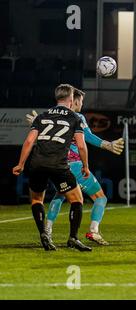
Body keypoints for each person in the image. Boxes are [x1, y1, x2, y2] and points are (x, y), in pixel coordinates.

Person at [26, 88, 125, 245]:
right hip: (75, 165)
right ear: (75, 101)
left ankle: (48, 230)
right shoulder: (77, 117)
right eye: (81, 102)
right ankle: (93, 231)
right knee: (100, 198)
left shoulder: (52, 116)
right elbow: (87, 137)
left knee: (60, 196)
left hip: (58, 164)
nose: (81, 105)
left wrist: (37, 123)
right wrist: (107, 145)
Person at [12, 84, 92, 251]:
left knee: (36, 199)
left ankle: (44, 234)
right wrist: (85, 166)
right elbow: (82, 145)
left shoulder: (42, 116)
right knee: (77, 199)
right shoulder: (74, 118)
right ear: (71, 99)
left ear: (57, 98)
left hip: (37, 163)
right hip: (59, 165)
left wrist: (21, 164)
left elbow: (28, 141)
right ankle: (73, 238)